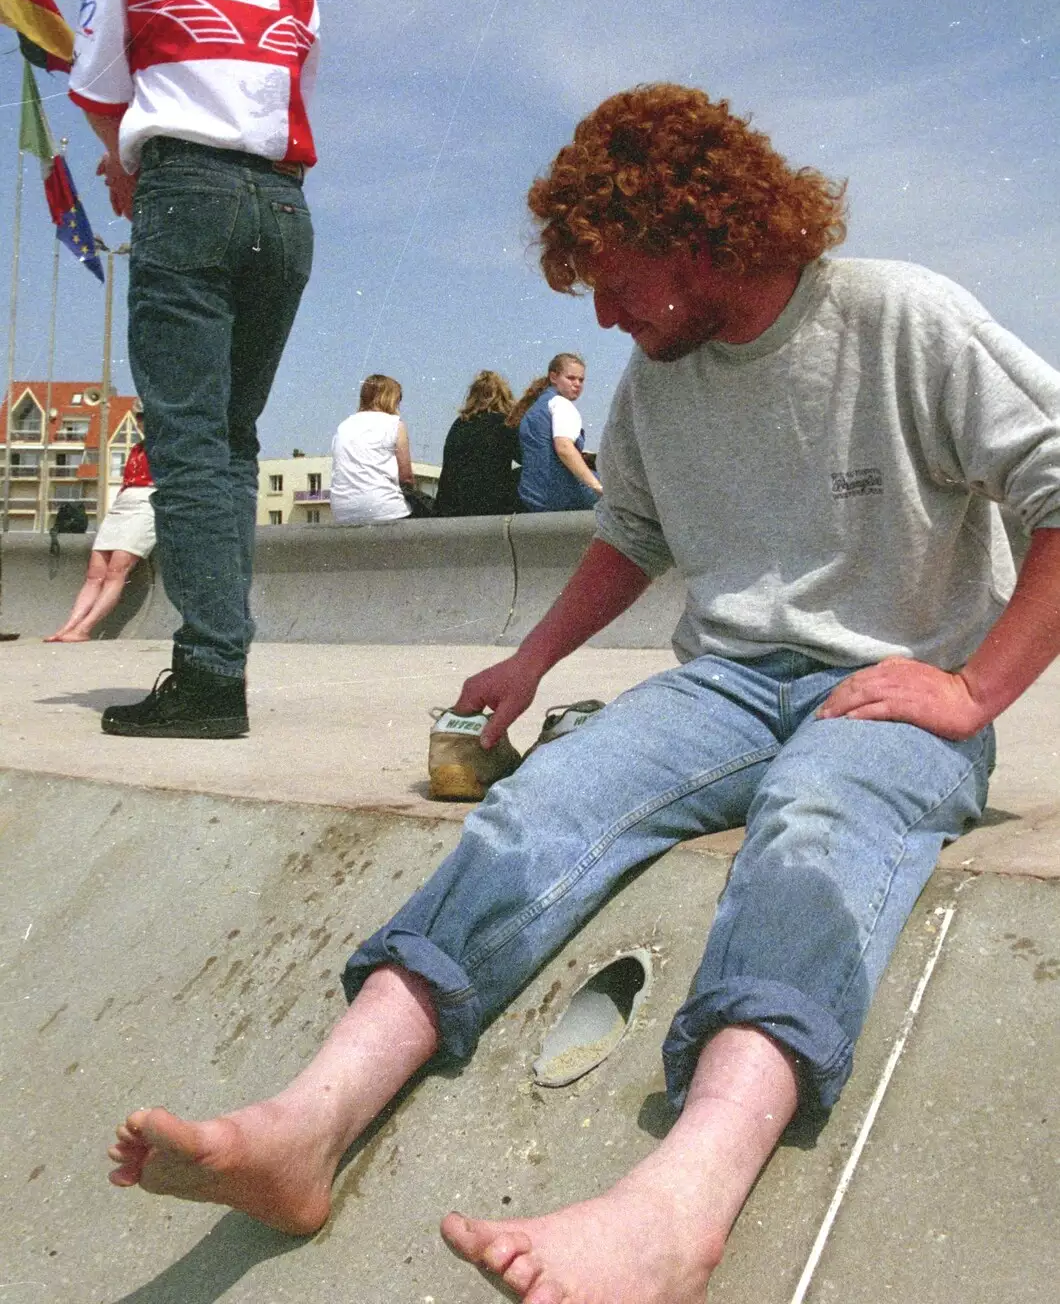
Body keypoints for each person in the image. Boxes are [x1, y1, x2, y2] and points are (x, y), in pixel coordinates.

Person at [104, 83, 1060, 1304]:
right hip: (723, 683)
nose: (603, 317)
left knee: (817, 832)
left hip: (890, 682)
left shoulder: (898, 317)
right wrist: (530, 661)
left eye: (616, 282)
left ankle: (679, 1209)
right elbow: (630, 537)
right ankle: (310, 1123)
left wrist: (972, 690)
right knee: (544, 802)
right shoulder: (660, 378)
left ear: (707, 230)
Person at [68, 0, 319, 738]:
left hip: (190, 195)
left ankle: (213, 678)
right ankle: (220, 660)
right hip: (286, 207)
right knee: (232, 441)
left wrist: (128, 165)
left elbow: (96, 79)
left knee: (184, 448)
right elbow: (278, 80)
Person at [45, 436, 156, 642]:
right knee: (95, 574)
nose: (143, 421)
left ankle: (85, 628)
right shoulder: (138, 447)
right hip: (122, 503)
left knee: (117, 570)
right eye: (140, 417)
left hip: (147, 502)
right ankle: (69, 627)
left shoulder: (171, 442)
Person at [511, 352, 602, 511]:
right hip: (560, 495)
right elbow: (564, 448)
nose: (577, 384)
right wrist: (598, 487)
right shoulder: (561, 404)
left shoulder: (532, 411)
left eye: (581, 380)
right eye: (571, 378)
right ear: (553, 377)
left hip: (531, 496)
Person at [330, 374, 415, 525]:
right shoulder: (395, 424)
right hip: (384, 509)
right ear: (389, 398)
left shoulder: (343, 426)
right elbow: (406, 477)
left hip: (343, 513)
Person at [433, 369, 521, 516]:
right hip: (488, 506)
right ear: (504, 396)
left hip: (448, 506)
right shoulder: (504, 424)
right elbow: (526, 458)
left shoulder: (459, 423)